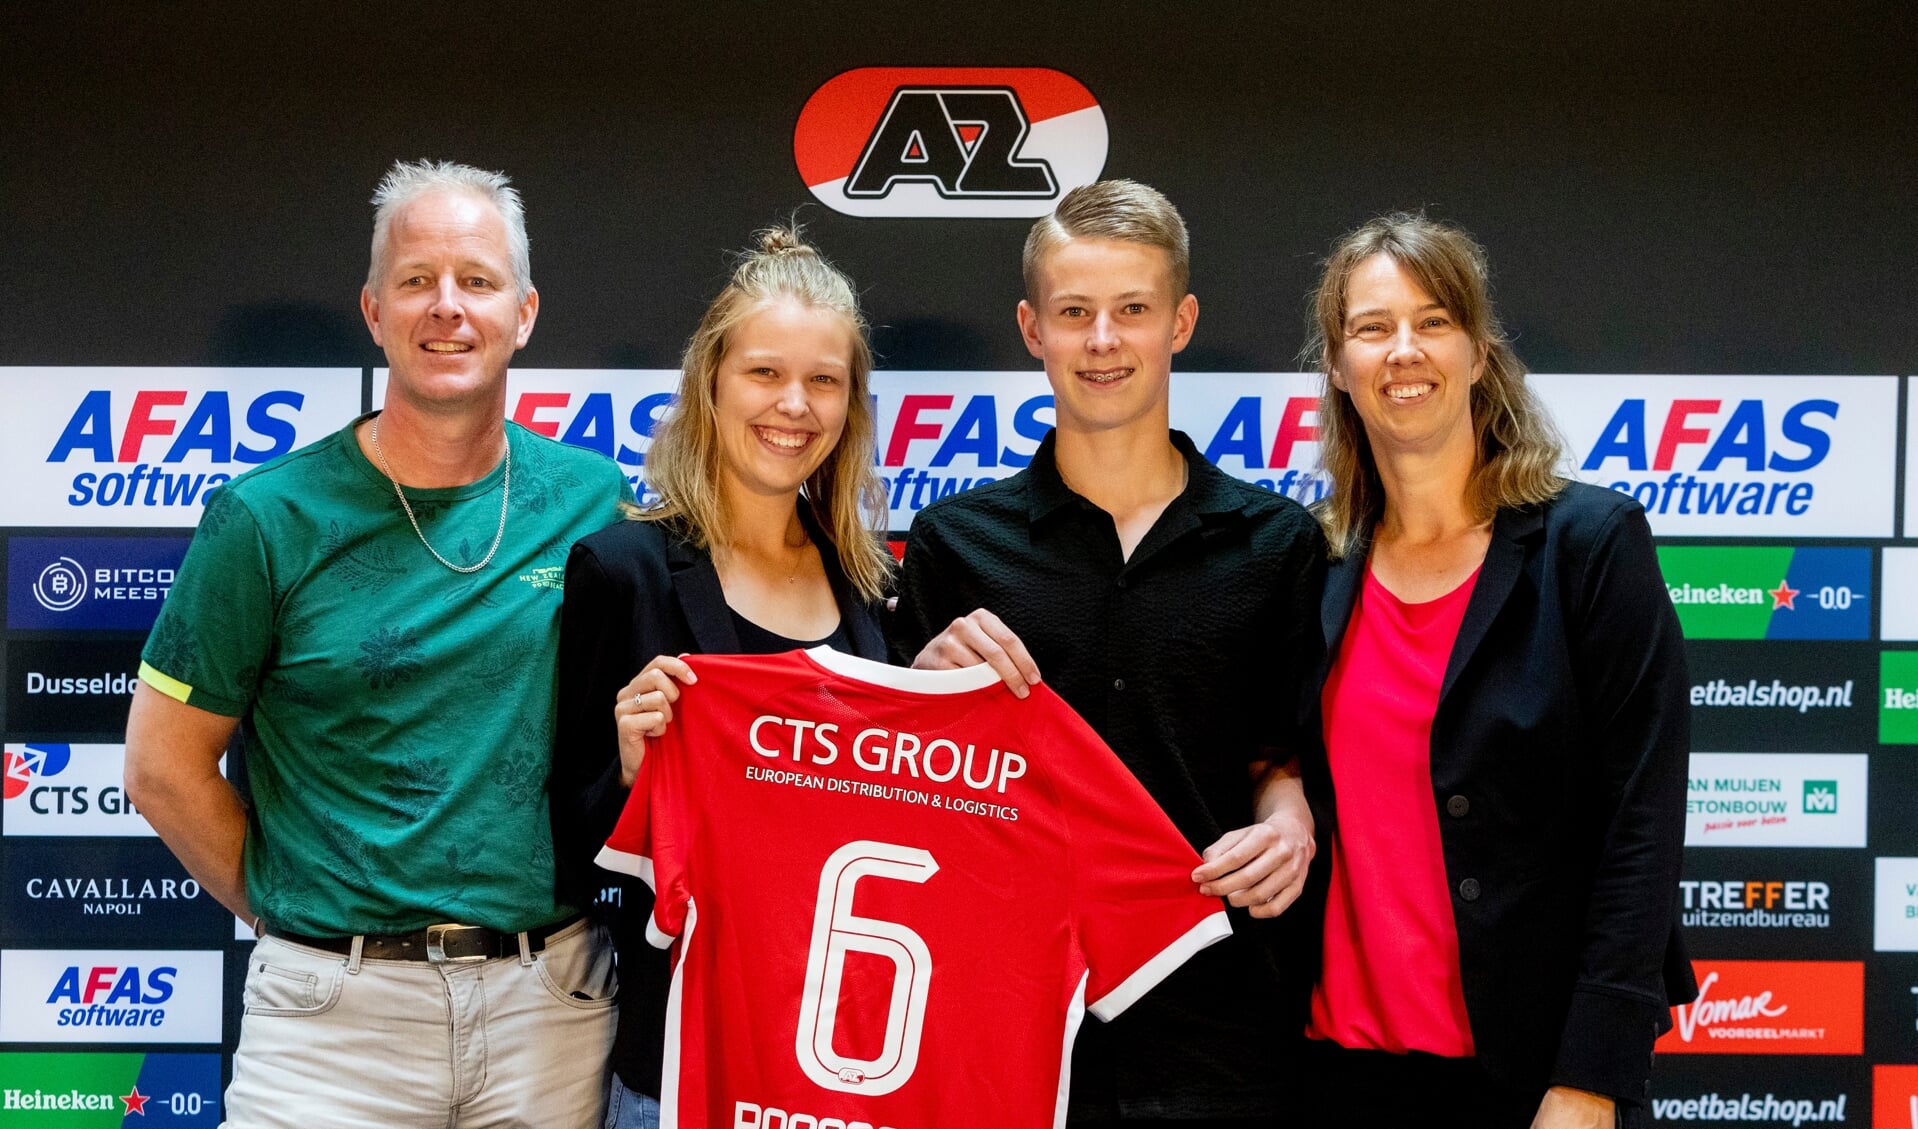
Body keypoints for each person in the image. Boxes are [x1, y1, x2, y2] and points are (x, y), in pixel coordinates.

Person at [123, 159, 629, 1128]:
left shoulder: (599, 504)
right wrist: (293, 914)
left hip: (548, 1011)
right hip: (330, 1026)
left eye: (476, 281)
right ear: (373, 310)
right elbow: (160, 766)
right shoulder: (267, 517)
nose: (447, 307)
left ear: (523, 313)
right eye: (416, 280)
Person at [890, 179, 1327, 1127]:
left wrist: (1292, 817)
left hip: (1222, 1034)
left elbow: (1287, 755)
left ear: (1181, 321)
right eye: (1074, 312)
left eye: (1132, 310)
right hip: (1002, 1032)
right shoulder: (952, 545)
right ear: (1030, 327)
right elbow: (887, 797)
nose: (1102, 341)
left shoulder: (1278, 544)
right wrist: (917, 701)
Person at [1296, 212, 1693, 1128]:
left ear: (1479, 353)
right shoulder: (1312, 565)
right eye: (1372, 327)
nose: (1404, 350)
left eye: (1434, 321)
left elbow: (1643, 824)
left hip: (1534, 1080)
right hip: (1338, 1077)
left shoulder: (1589, 545)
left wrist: (1591, 1076)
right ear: (1337, 364)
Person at [551, 226, 893, 1129]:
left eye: (825, 380)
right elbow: (557, 846)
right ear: (711, 383)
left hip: (849, 1063)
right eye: (765, 373)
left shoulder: (876, 592)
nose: (795, 404)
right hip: (680, 1063)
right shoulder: (622, 569)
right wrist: (626, 773)